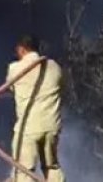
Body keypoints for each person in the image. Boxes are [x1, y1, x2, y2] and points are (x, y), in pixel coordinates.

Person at [6, 34, 64, 182]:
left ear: (21, 49)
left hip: (28, 128)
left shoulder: (15, 68)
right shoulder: (55, 67)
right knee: (52, 167)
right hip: (51, 125)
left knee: (24, 170)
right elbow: (61, 86)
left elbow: (11, 87)